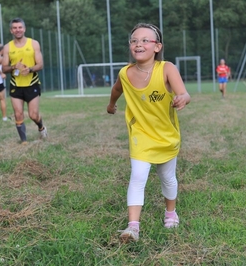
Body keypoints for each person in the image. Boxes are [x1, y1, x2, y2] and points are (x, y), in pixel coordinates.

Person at [107, 23, 191, 243]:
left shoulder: (166, 68)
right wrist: (111, 104)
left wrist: (182, 98)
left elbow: (184, 92)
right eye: (134, 40)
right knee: (137, 177)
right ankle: (132, 227)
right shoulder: (125, 73)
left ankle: (171, 212)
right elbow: (117, 89)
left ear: (157, 47)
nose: (138, 44)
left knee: (167, 178)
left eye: (145, 40)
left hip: (165, 136)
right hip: (140, 134)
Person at [2, 17, 47, 144]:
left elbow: (40, 65)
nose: (18, 30)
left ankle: (41, 127)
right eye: (15, 28)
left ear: (24, 29)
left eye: (20, 27)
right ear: (11, 30)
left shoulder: (34, 44)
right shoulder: (7, 47)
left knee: (33, 115)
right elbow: (4, 68)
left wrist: (30, 69)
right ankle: (24, 142)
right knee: (18, 114)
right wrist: (13, 67)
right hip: (16, 84)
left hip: (32, 83)